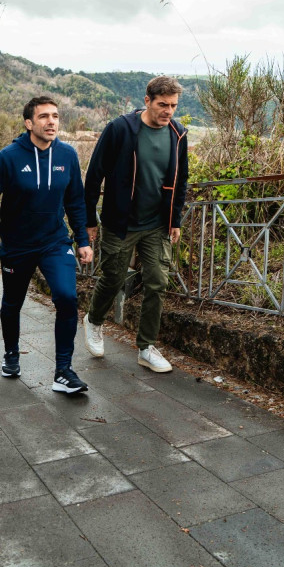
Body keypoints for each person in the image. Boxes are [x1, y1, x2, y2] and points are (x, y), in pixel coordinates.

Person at [0, 95, 93, 394]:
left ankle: (63, 371)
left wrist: (83, 239)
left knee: (67, 297)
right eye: (44, 117)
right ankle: (11, 353)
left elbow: (76, 201)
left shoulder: (67, 155)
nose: (51, 122)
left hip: (55, 242)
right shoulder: (8, 157)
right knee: (13, 303)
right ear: (29, 123)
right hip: (17, 245)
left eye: (55, 116)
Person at [82, 76, 188, 372]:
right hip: (121, 222)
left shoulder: (178, 134)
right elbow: (94, 175)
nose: (168, 111)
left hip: (157, 224)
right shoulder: (120, 129)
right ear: (147, 101)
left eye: (173, 106)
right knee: (113, 278)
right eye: (163, 104)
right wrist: (89, 219)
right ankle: (93, 320)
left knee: (157, 282)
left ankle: (146, 347)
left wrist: (175, 220)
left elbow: (180, 181)